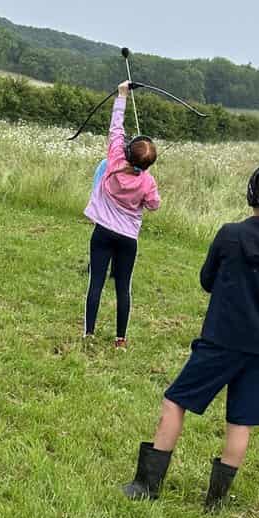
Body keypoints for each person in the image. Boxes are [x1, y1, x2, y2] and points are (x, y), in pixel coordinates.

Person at [122, 164, 259, 511]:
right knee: (241, 421)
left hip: (222, 338)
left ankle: (147, 485)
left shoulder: (230, 235)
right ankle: (215, 502)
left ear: (251, 195)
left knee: (175, 401)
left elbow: (207, 279)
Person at [82, 82, 160, 348]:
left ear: (127, 152)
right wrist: (147, 181)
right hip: (128, 239)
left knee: (96, 282)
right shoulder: (147, 181)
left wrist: (122, 95)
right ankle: (120, 340)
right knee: (123, 287)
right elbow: (154, 205)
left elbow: (116, 127)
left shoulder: (115, 159)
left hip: (103, 232)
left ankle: (89, 334)